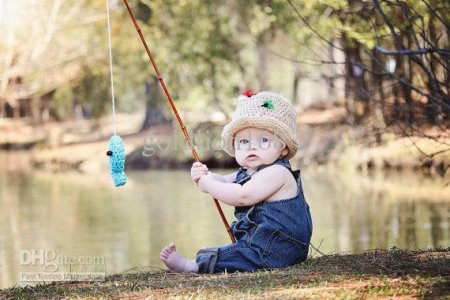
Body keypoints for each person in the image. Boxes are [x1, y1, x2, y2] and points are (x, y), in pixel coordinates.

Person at [160, 91, 313, 273]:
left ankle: (191, 266)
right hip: (265, 245)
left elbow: (242, 196)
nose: (252, 146)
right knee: (240, 253)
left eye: (264, 140)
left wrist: (209, 185)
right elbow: (225, 180)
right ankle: (201, 263)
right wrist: (205, 176)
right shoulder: (251, 171)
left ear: (284, 148)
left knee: (231, 255)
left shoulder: (278, 173)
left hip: (278, 250)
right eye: (243, 141)